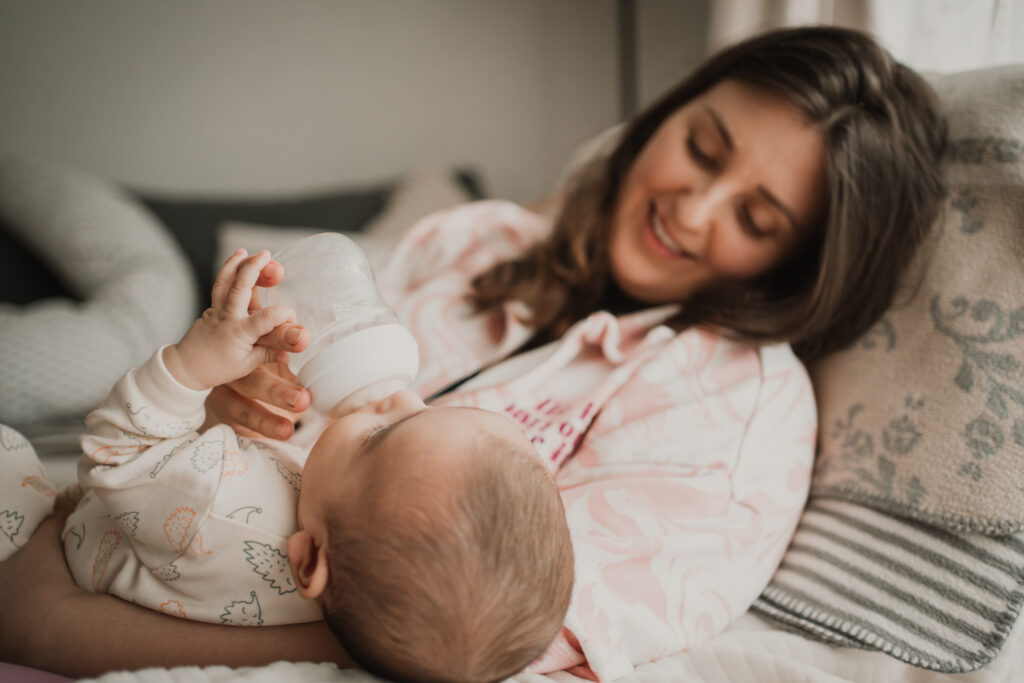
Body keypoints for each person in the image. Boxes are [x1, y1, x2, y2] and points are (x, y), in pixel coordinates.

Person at [0, 25, 947, 681]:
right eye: (702, 147)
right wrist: (223, 396)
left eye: (756, 216)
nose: (691, 210)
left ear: (800, 264)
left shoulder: (738, 408)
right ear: (668, 116)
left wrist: (68, 628)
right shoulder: (474, 245)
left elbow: (475, 636)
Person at [0, 248, 575, 683]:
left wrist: (190, 368)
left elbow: (115, 452)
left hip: (38, 533)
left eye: (379, 436)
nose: (401, 398)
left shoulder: (221, 511)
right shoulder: (358, 583)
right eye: (426, 410)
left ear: (307, 560)